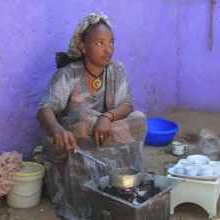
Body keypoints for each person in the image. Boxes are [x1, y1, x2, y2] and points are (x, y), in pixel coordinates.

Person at [36, 11, 147, 219]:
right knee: (84, 119)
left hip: (103, 135)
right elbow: (44, 110)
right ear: (83, 46)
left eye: (111, 42)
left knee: (139, 120)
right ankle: (85, 196)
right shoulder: (69, 74)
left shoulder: (117, 69)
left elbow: (127, 104)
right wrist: (58, 130)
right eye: (100, 43)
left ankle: (120, 183)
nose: (108, 49)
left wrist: (107, 118)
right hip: (72, 143)